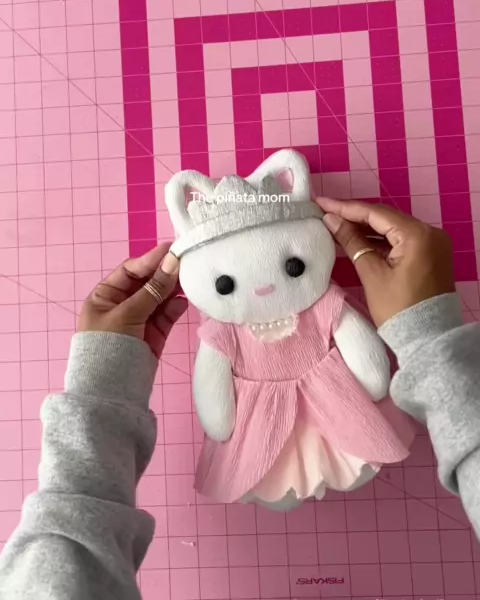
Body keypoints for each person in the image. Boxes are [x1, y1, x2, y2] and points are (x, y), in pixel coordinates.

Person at [0, 200, 478, 599]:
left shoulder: (324, 304)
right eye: (224, 285)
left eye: (294, 267)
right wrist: (425, 335)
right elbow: (216, 394)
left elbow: (367, 365)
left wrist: (102, 379)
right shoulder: (223, 332)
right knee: (273, 474)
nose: (266, 287)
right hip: (262, 413)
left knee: (339, 454)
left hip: (331, 396)